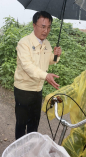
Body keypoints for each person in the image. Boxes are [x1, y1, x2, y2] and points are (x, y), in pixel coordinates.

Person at [14, 11, 62, 140]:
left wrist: (56, 55)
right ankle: (19, 150)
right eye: (43, 26)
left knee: (34, 123)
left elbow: (48, 60)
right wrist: (46, 76)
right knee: (21, 123)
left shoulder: (46, 44)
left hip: (37, 89)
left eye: (48, 27)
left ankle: (31, 148)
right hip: (23, 89)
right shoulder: (24, 43)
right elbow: (27, 66)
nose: (46, 30)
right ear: (34, 25)